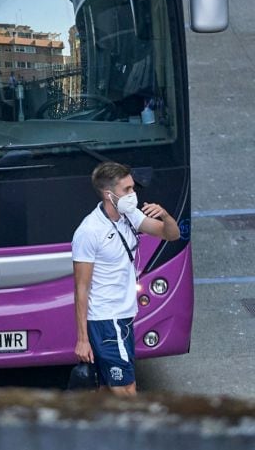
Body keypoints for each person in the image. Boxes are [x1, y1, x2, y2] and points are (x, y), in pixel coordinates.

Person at [72, 162, 180, 396]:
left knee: (107, 390)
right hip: (107, 320)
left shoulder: (130, 216)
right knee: (126, 389)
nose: (133, 194)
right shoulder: (89, 231)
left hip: (123, 316)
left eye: (133, 188)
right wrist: (82, 339)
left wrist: (165, 214)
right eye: (127, 190)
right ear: (108, 194)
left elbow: (171, 234)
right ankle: (141, 432)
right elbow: (81, 287)